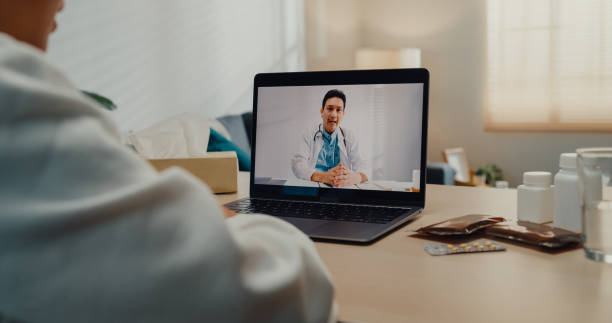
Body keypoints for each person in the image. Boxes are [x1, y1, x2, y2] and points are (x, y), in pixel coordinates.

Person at [0, 1, 335, 322]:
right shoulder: (14, 98)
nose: (62, 4)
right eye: (329, 108)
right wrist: (218, 218)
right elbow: (283, 297)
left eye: (338, 110)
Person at [292, 89, 368, 187]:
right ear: (322, 111)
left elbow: (364, 167)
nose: (333, 114)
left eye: (338, 110)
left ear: (343, 114)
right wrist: (324, 177)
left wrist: (353, 178)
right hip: (315, 189)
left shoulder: (349, 136)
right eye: (330, 109)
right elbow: (298, 165)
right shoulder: (308, 134)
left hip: (341, 190)